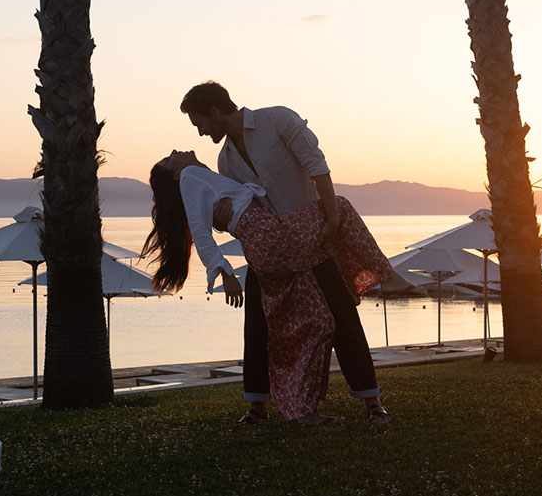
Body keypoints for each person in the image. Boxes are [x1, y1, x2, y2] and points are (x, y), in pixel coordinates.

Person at [179, 82, 390, 426]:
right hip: (273, 254)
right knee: (258, 328)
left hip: (314, 242)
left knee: (343, 320)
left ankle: (372, 402)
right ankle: (257, 408)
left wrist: (333, 218)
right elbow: (242, 209)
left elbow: (317, 165)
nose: (202, 132)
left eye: (200, 123)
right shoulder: (225, 161)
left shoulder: (277, 121)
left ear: (215, 111)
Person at [144, 150, 394, 426]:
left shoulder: (219, 169)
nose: (175, 151)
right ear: (177, 174)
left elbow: (224, 206)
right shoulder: (195, 175)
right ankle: (385, 275)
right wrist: (224, 270)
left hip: (273, 242)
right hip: (276, 240)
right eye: (169, 159)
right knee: (339, 209)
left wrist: (229, 215)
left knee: (322, 321)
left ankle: (302, 408)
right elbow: (202, 228)